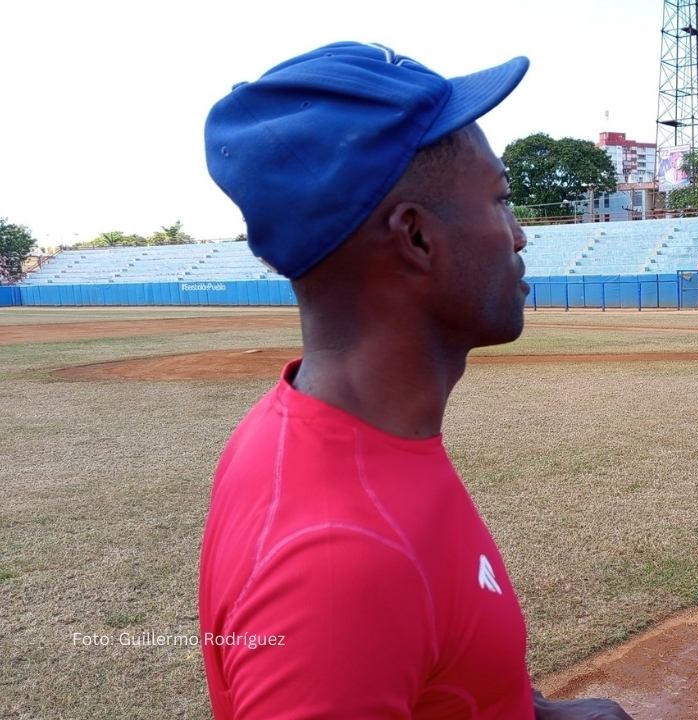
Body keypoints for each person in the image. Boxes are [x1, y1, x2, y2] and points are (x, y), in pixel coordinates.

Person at [198, 42, 631, 720]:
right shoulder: (337, 568)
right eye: (502, 199)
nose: (519, 236)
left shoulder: (323, 432)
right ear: (417, 238)